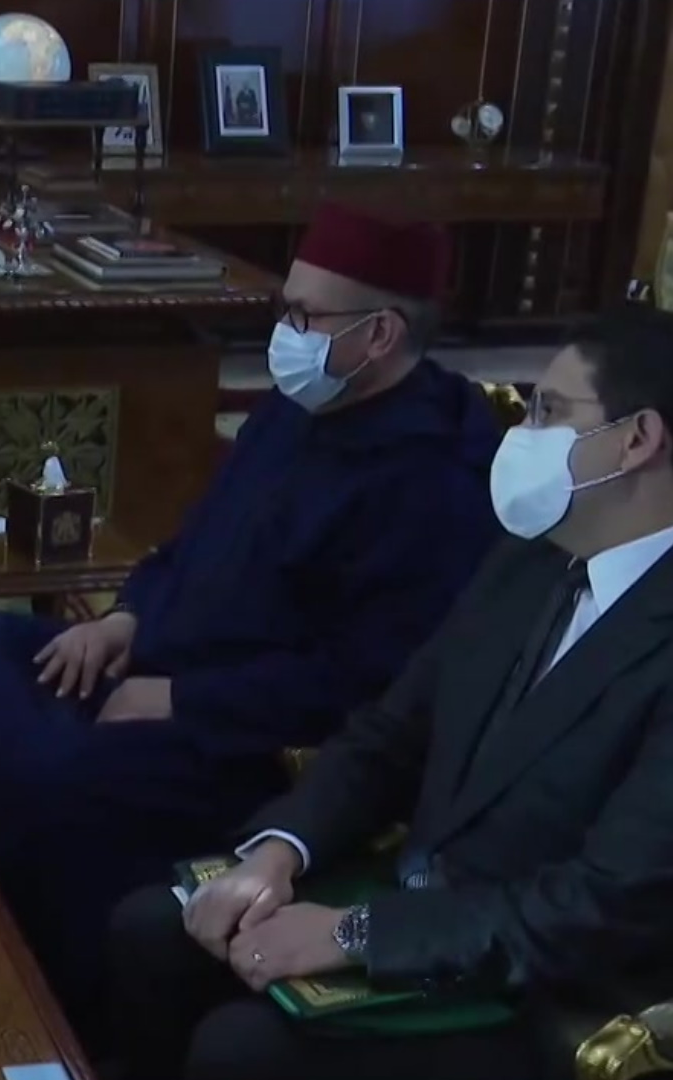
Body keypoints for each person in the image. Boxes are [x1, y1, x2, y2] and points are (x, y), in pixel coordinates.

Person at [0, 202, 504, 1044]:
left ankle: (39, 1013)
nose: (283, 333)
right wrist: (125, 617)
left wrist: (181, 699)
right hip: (151, 655)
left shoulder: (435, 484)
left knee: (52, 785)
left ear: (381, 334)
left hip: (244, 735)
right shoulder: (295, 408)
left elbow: (362, 682)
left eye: (305, 316)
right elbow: (194, 542)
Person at [111, 305, 673, 1080]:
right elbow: (392, 733)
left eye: (549, 411)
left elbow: (599, 908)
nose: (524, 433)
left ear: (637, 439)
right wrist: (280, 851)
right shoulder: (530, 558)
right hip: (413, 901)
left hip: (549, 989)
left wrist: (356, 934)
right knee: (152, 930)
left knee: (242, 1051)